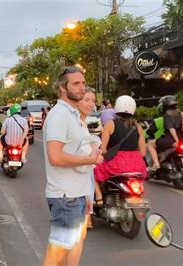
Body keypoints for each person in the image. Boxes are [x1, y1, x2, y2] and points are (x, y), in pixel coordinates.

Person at [42, 66, 103, 266]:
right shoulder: (59, 115)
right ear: (62, 87)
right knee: (57, 253)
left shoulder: (73, 115)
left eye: (83, 83)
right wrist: (90, 159)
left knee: (68, 248)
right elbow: (56, 157)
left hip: (75, 195)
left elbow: (76, 151)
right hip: (65, 197)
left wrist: (86, 193)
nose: (82, 88)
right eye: (76, 84)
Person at [93, 95, 147, 201]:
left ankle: (99, 198)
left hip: (115, 163)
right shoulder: (138, 126)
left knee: (91, 171)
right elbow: (143, 152)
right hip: (136, 164)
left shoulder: (110, 124)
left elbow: (103, 149)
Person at [147, 95, 183, 170]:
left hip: (171, 140)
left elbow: (171, 129)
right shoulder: (182, 114)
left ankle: (156, 164)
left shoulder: (166, 116)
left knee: (150, 144)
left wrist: (176, 141)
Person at [77, 87, 100, 229]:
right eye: (87, 100)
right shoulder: (76, 123)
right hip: (78, 177)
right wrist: (94, 156)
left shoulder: (83, 122)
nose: (91, 104)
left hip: (85, 174)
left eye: (93, 100)